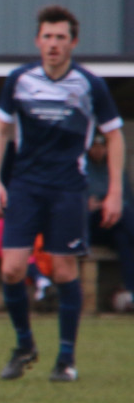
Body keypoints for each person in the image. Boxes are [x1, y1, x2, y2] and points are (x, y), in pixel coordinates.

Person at [0, 4, 126, 381]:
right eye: (47, 37)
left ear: (73, 42)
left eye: (60, 37)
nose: (53, 44)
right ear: (37, 40)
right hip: (26, 186)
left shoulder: (90, 84)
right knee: (12, 268)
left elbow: (114, 135)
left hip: (67, 188)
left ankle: (66, 359)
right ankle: (24, 345)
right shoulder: (19, 80)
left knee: (65, 270)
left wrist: (114, 191)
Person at [0, 152, 55, 311]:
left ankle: (45, 287)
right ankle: (40, 280)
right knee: (5, 233)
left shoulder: (42, 171)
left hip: (30, 228)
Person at [86, 133, 134, 312]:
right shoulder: (80, 167)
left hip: (115, 224)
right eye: (94, 146)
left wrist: (111, 202)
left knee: (124, 239)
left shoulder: (115, 169)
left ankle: (131, 292)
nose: (98, 150)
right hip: (91, 226)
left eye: (101, 146)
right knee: (123, 215)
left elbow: (127, 200)